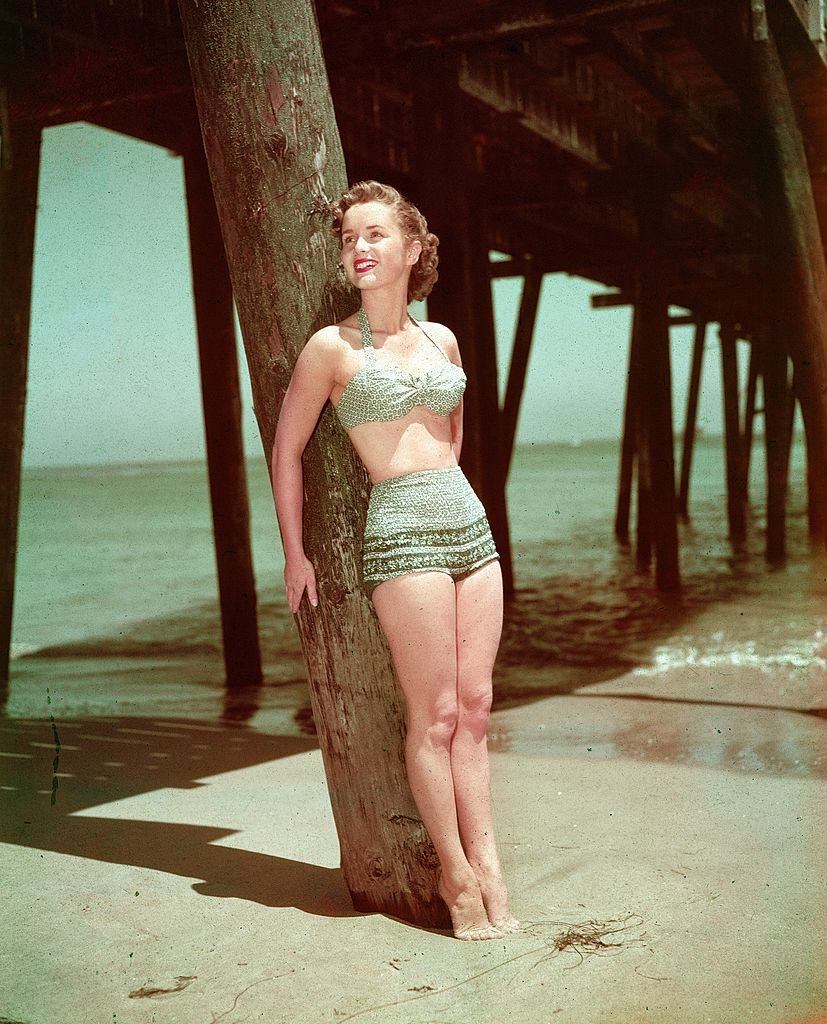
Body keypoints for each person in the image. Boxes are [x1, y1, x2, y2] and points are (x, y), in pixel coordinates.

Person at [272, 180, 519, 941]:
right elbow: (285, 452)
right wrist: (294, 555)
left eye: (374, 234)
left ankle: (491, 866)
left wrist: (456, 503)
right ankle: (454, 877)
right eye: (350, 238)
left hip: (468, 526)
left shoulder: (442, 340)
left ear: (412, 249)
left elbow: (453, 438)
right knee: (436, 715)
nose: (359, 248)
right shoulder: (330, 349)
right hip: (402, 527)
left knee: (475, 711)